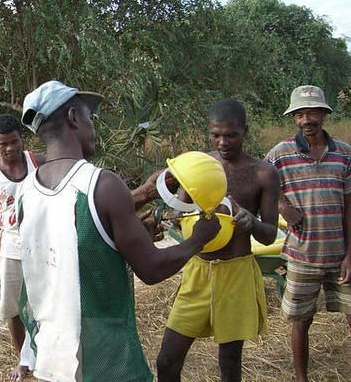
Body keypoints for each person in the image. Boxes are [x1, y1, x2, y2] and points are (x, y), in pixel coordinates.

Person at [15, 80, 221, 382]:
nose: (92, 128)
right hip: (105, 359)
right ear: (73, 117)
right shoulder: (101, 184)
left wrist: (126, 236)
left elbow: (69, 246)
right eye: (89, 118)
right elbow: (151, 269)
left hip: (51, 354)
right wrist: (198, 239)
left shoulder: (24, 193)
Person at [156, 99, 280, 382]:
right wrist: (171, 213)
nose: (222, 142)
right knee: (167, 359)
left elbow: (269, 233)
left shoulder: (263, 173)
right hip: (199, 272)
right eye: (215, 134)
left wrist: (250, 220)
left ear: (244, 131)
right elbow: (181, 210)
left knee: (230, 362)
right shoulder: (200, 164)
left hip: (236, 273)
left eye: (230, 134)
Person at [265, 85, 351, 382]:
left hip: (341, 254)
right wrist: (281, 205)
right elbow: (260, 183)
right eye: (300, 113)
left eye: (312, 112)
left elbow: (350, 206)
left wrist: (350, 254)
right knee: (301, 321)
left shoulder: (344, 154)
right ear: (294, 118)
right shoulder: (279, 154)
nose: (307, 119)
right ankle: (301, 378)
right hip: (302, 255)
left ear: (325, 114)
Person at [0, 114, 45, 381]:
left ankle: (45, 352)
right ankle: (23, 360)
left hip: (42, 242)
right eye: (3, 144)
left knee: (42, 302)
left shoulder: (37, 161)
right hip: (11, 247)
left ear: (22, 139)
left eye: (14, 142)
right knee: (14, 307)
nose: (9, 149)